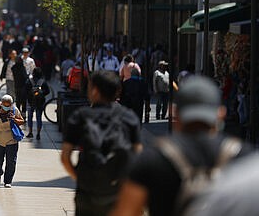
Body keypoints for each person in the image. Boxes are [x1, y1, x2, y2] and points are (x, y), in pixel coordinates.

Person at [111, 76, 249, 216]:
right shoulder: (246, 159)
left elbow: (126, 212)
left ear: (174, 113)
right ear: (221, 114)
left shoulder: (152, 159)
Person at [62, 70, 142, 216]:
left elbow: (65, 158)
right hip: (116, 194)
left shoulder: (80, 116)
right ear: (118, 91)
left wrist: (82, 179)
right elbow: (138, 159)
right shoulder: (129, 118)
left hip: (87, 195)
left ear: (95, 90)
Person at [0, 95, 25, 188]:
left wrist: (15, 119)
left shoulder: (14, 110)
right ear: (1, 103)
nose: (6, 107)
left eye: (8, 105)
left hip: (11, 140)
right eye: (4, 105)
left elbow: (22, 121)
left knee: (11, 162)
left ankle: (8, 181)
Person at [25, 67, 50, 140]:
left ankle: (30, 132)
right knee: (39, 118)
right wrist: (41, 94)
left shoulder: (29, 81)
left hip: (30, 102)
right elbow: (47, 91)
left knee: (30, 117)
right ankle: (38, 134)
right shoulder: (43, 82)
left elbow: (25, 91)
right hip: (40, 102)